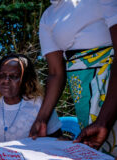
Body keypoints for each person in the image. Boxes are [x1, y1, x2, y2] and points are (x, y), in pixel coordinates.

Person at [29, 0, 117, 156]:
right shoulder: (48, 17)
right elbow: (56, 73)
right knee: (100, 152)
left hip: (112, 90)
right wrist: (42, 119)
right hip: (84, 93)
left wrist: (104, 119)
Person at [0, 54, 61, 143]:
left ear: (25, 80)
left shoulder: (41, 105)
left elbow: (58, 140)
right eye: (2, 75)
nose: (6, 80)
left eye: (14, 76)